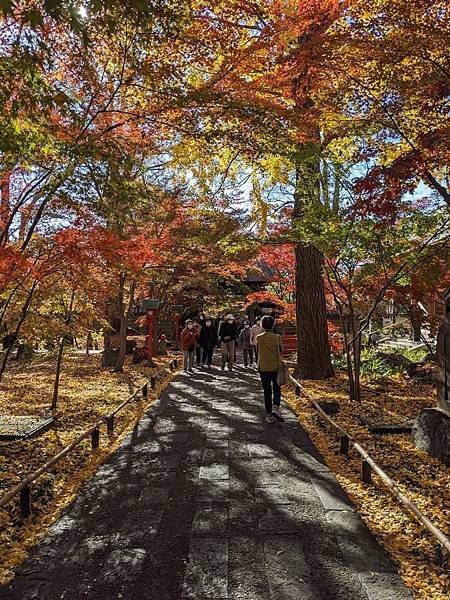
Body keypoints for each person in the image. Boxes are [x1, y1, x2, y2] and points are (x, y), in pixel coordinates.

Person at [256, 315, 284, 423]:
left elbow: (258, 351)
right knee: (276, 389)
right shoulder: (277, 337)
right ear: (273, 325)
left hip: (263, 367)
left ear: (262, 325)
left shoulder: (259, 338)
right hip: (276, 367)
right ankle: (275, 407)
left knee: (267, 391)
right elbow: (281, 350)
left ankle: (268, 415)